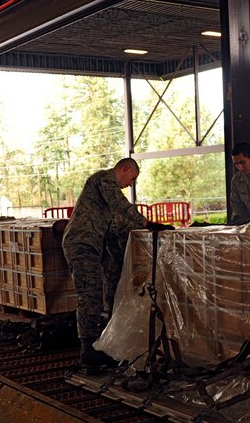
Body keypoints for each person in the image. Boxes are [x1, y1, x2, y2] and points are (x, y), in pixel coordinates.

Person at [62, 158, 174, 368]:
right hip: (82, 242)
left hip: (96, 245)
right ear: (126, 169)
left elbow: (117, 228)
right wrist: (148, 223)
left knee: (109, 286)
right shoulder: (104, 179)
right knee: (90, 294)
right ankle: (87, 350)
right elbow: (119, 205)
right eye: (132, 178)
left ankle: (104, 339)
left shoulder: (104, 198)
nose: (130, 184)